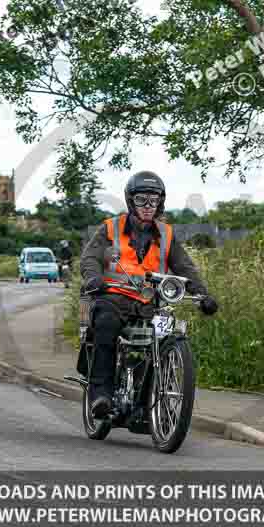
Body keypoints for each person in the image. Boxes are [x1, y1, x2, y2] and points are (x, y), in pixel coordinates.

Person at [79, 171, 219, 418]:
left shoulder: (166, 234)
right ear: (130, 201)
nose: (147, 206)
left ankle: (149, 402)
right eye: (141, 199)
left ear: (160, 203)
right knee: (105, 324)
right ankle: (101, 394)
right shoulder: (110, 228)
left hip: (150, 304)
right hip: (113, 299)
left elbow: (185, 267)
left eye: (153, 201)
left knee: (166, 336)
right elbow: (90, 257)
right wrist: (93, 278)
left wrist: (203, 295)